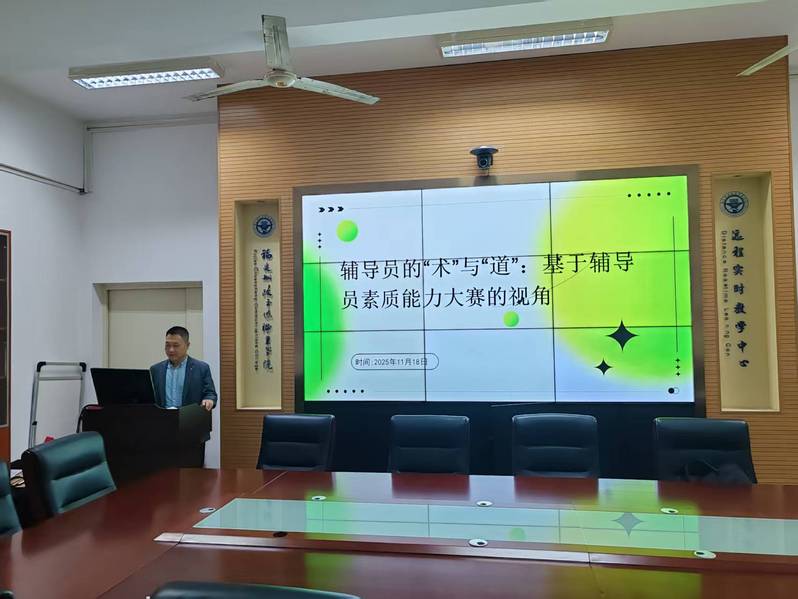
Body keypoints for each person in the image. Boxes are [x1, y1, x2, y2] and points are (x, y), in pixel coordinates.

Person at [150, 326, 217, 411]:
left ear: (187, 345)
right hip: (162, 417)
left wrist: (209, 400)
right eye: (167, 345)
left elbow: (210, 393)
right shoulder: (156, 369)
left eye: (176, 345)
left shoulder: (201, 368)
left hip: (189, 416)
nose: (171, 350)